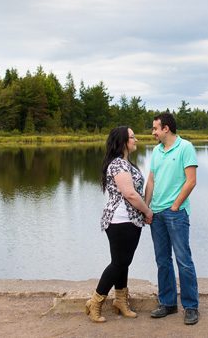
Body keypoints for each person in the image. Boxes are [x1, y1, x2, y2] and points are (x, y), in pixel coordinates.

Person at [85, 125, 154, 323]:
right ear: (123, 141)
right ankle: (95, 302)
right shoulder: (118, 165)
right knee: (119, 262)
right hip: (119, 220)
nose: (136, 140)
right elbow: (130, 194)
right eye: (132, 137)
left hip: (131, 220)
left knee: (124, 261)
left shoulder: (127, 164)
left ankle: (120, 301)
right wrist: (147, 211)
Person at [144, 112, 200, 325]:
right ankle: (167, 303)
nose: (153, 132)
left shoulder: (185, 147)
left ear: (166, 128)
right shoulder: (157, 151)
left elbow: (191, 181)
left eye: (155, 128)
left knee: (183, 260)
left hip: (176, 214)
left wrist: (175, 206)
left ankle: (191, 306)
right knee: (162, 261)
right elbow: (151, 181)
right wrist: (146, 209)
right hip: (156, 214)